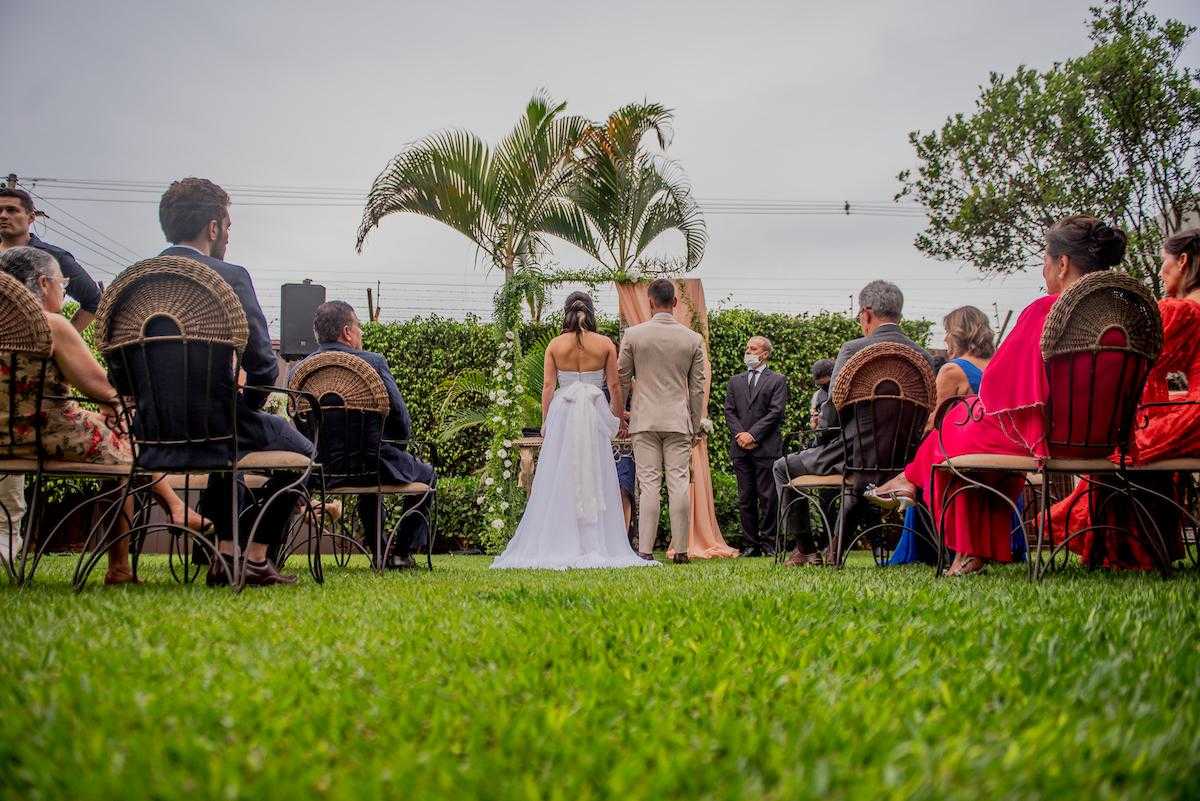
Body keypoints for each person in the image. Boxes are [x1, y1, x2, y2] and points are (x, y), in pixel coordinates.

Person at [868, 216, 1131, 576]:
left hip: (1047, 437)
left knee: (947, 433)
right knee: (958, 437)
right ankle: (916, 490)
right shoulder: (1125, 316)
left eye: (1045, 264)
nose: (1045, 273)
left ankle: (957, 540)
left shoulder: (1047, 310)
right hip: (1107, 439)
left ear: (1064, 264)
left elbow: (998, 383)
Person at [0, 247, 209, 584]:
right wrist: (113, 403)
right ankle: (123, 564)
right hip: (46, 435)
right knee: (123, 441)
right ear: (42, 283)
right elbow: (100, 385)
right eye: (62, 284)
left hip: (6, 436)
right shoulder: (50, 325)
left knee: (114, 435)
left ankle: (173, 509)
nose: (63, 292)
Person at [152, 178, 313, 587]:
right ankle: (257, 557)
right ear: (212, 227)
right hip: (220, 422)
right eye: (227, 225)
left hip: (151, 433)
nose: (227, 234)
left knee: (231, 456)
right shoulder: (230, 276)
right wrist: (249, 406)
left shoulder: (137, 280)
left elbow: (121, 366)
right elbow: (261, 364)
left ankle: (225, 555)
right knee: (305, 454)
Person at [1044, 228, 1200, 569]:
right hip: (1191, 406)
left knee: (1118, 447)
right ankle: (1139, 542)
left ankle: (1117, 545)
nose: (1161, 271)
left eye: (1165, 262)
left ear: (1184, 261)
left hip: (1195, 415)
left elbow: (1134, 357)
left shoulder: (1182, 311)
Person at [492, 292, 658, 570]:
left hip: (565, 414)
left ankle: (560, 537)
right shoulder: (605, 343)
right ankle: (594, 539)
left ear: (566, 313)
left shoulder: (555, 345)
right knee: (595, 473)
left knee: (561, 473)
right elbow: (616, 387)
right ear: (591, 313)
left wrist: (546, 422)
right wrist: (618, 419)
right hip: (592, 413)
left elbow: (547, 387)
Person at [774, 280, 933, 566]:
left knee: (781, 467)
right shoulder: (923, 356)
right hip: (906, 461)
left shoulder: (853, 350)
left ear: (867, 314)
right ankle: (834, 547)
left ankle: (806, 550)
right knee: (858, 472)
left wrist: (820, 442)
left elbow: (832, 414)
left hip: (851, 456)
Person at [298, 301, 436, 569]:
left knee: (371, 467)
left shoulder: (302, 368)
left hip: (320, 471)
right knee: (427, 473)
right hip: (371, 464)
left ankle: (380, 550)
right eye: (360, 327)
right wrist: (393, 444)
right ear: (348, 332)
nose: (361, 333)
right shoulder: (372, 362)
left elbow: (300, 424)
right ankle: (400, 552)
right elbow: (400, 419)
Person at [889, 305, 1001, 565]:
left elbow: (935, 421)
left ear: (957, 334)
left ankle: (903, 485)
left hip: (961, 456)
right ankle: (903, 481)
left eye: (947, 332)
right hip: (999, 452)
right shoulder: (998, 364)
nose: (945, 338)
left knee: (927, 454)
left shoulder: (953, 370)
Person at [618, 279, 707, 564]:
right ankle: (681, 550)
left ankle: (645, 549)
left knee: (649, 483)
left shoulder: (633, 335)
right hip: (678, 420)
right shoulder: (692, 339)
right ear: (676, 303)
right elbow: (697, 387)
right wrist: (695, 422)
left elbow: (621, 378)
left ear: (650, 302)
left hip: (644, 418)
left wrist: (619, 413)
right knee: (679, 483)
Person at [0, 188, 102, 333]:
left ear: (31, 217)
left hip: (29, 351)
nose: (3, 216)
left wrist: (57, 342)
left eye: (12, 210)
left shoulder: (53, 257)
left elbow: (94, 301)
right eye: (0, 211)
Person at [723, 336, 787, 556]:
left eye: (753, 348)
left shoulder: (777, 380)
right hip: (740, 448)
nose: (748, 351)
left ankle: (769, 543)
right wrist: (741, 434)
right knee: (745, 497)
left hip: (766, 447)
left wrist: (753, 435)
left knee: (768, 497)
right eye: (747, 347)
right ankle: (751, 544)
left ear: (765, 354)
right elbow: (729, 411)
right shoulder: (735, 381)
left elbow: (776, 412)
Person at [808, 359, 834, 432]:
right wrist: (814, 421)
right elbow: (813, 427)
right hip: (823, 440)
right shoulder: (816, 396)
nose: (824, 387)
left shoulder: (842, 392)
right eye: (820, 385)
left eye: (827, 384)